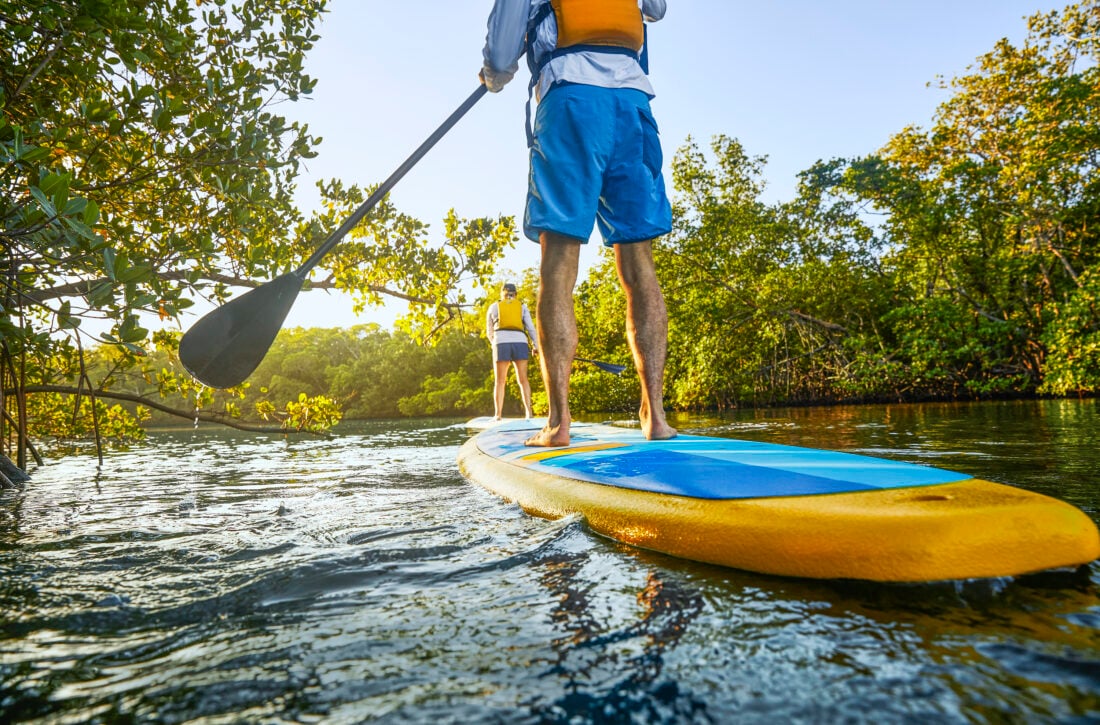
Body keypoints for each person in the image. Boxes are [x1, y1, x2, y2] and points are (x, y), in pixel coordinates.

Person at [480, 0, 676, 446]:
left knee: (559, 261)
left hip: (570, 99)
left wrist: (495, 73)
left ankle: (558, 423)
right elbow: (657, 9)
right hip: (632, 104)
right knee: (639, 263)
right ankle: (656, 418)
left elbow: (501, 52)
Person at [486, 282, 538, 420]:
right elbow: (531, 328)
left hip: (501, 341)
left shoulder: (493, 307)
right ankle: (529, 413)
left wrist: (494, 343)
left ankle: (498, 415)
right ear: (516, 294)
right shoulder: (522, 307)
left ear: (502, 293)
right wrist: (536, 345)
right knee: (523, 380)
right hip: (520, 342)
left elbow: (489, 331)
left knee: (500, 381)